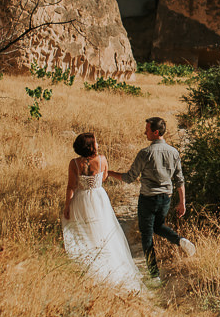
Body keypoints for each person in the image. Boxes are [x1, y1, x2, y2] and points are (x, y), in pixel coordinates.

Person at [108, 116, 195, 278]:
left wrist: (109, 173)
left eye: (147, 130)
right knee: (158, 226)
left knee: (147, 236)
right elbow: (179, 180)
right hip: (165, 199)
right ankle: (179, 240)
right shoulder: (174, 152)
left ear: (155, 132)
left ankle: (154, 275)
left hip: (148, 199)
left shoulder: (145, 153)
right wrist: (182, 202)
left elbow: (129, 178)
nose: (144, 133)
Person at [62, 132, 145, 294]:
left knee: (83, 230)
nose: (98, 144)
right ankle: (107, 263)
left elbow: (71, 186)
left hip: (80, 199)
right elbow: (105, 177)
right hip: (98, 199)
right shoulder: (102, 160)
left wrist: (67, 205)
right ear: (91, 146)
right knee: (103, 230)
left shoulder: (74, 163)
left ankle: (88, 265)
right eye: (96, 142)